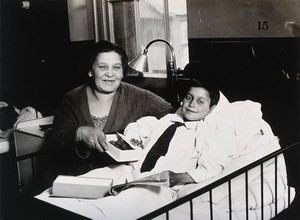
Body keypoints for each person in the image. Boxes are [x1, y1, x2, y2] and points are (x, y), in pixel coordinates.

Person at [38, 61, 284, 220]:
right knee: (69, 190)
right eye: (188, 98)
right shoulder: (166, 121)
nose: (191, 105)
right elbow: (137, 131)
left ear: (211, 108)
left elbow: (213, 164)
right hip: (131, 172)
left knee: (117, 208)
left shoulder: (207, 132)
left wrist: (176, 178)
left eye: (200, 101)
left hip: (159, 184)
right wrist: (127, 142)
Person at [46, 40, 173, 174]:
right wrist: (80, 133)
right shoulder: (72, 99)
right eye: (103, 67)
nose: (110, 74)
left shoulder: (139, 97)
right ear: (90, 71)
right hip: (80, 178)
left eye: (116, 67)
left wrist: (146, 139)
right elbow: (53, 140)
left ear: (123, 72)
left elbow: (172, 115)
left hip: (122, 179)